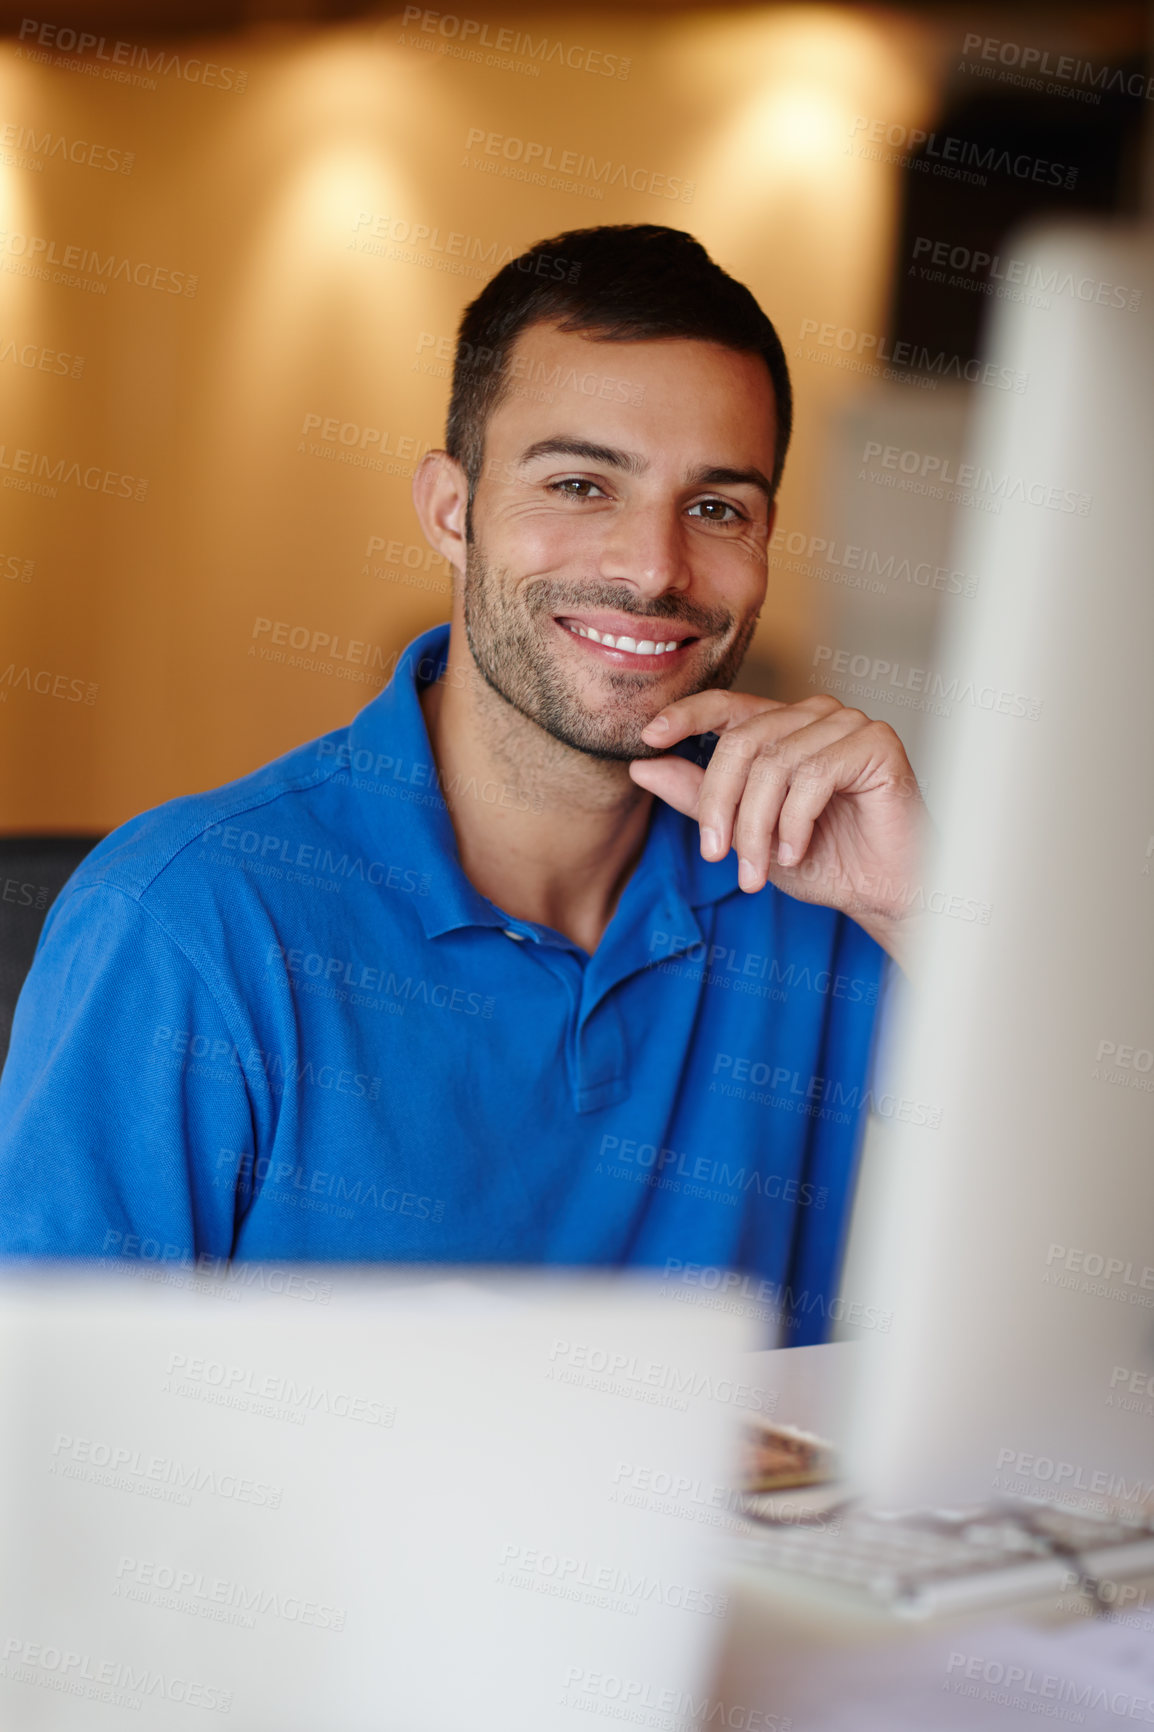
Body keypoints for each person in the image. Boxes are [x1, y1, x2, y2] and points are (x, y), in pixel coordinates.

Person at [0, 224, 923, 1342]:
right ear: (450, 510)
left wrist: (921, 908)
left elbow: (1105, 1250)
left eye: (717, 506)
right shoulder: (186, 920)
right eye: (580, 483)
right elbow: (47, 1454)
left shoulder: (818, 891)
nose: (652, 566)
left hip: (744, 1524)